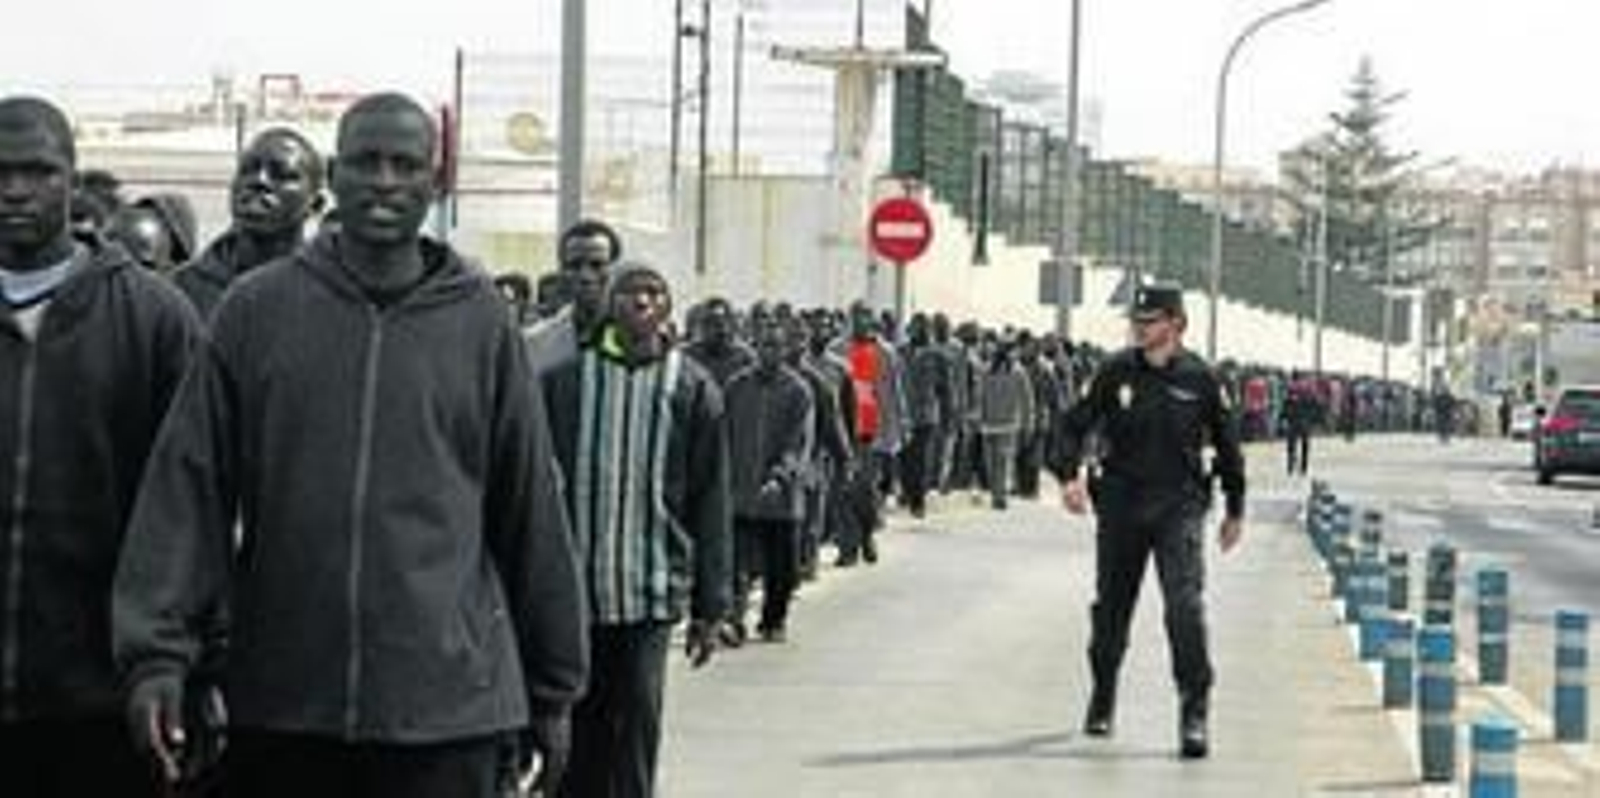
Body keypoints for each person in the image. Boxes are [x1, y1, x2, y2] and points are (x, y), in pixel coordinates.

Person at [112, 93, 587, 798]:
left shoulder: (481, 321)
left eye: (406, 165)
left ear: (436, 182)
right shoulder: (258, 311)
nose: (386, 181)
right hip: (284, 707)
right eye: (367, 162)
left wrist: (554, 688)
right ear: (335, 175)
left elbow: (530, 510)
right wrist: (158, 656)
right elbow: (189, 489)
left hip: (444, 715)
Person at [0, 95, 201, 797]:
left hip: (99, 699)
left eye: (37, 171)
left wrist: (174, 661)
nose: (15, 190)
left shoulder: (153, 318)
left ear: (73, 179)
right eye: (0, 172)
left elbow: (187, 511)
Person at [540, 261, 731, 798]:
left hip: (650, 594)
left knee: (636, 731)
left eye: (654, 292)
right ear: (608, 303)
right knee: (575, 734)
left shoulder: (692, 389)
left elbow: (710, 501)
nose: (642, 302)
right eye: (629, 291)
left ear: (668, 307)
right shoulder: (566, 383)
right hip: (576, 597)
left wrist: (710, 607)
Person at [1050, 283, 1245, 760]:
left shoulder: (1202, 380)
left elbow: (1228, 448)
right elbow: (1072, 425)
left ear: (1176, 325)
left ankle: (1194, 709)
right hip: (1120, 503)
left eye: (1151, 320)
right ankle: (1103, 693)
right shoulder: (1114, 371)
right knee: (1111, 609)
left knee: (1184, 606)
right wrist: (1068, 476)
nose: (1141, 328)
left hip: (1179, 506)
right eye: (1137, 321)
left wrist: (1235, 509)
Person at [725, 311, 814, 643]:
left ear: (785, 348)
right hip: (741, 494)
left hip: (782, 499)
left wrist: (780, 477)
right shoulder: (736, 387)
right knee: (736, 565)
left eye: (776, 346)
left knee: (782, 571)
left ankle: (773, 620)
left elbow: (798, 442)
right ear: (754, 346)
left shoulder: (798, 391)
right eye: (763, 345)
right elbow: (723, 435)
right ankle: (734, 619)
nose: (769, 352)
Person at [173, 127, 325, 320]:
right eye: (247, 170)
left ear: (315, 205)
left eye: (281, 174)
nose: (259, 181)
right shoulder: (182, 288)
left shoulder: (329, 289)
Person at [524, 218, 622, 375]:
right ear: (561, 271)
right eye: (574, 266)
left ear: (616, 269)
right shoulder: (536, 343)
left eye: (597, 265)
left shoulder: (640, 339)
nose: (585, 276)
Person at [1281, 373, 1317, 476]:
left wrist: (1284, 418)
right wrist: (1312, 419)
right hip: (1304, 421)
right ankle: (1303, 467)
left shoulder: (1290, 389)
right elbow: (1313, 404)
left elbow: (1285, 405)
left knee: (1291, 445)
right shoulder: (1307, 390)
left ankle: (1290, 466)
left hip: (1293, 421)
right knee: (1304, 445)